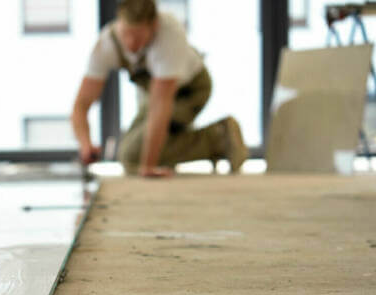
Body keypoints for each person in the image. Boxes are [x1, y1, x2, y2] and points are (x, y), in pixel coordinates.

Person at [71, 0, 249, 178]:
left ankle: (220, 137)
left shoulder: (169, 34)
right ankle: (211, 138)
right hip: (154, 96)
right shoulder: (107, 43)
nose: (131, 43)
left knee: (133, 156)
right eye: (126, 34)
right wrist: (85, 145)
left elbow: (160, 107)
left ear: (154, 25)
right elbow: (81, 105)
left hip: (191, 90)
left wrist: (148, 166)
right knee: (126, 152)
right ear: (119, 23)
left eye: (138, 36)